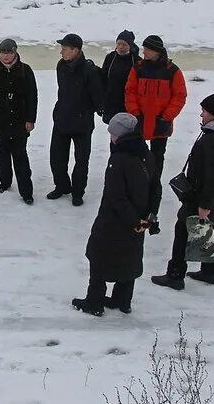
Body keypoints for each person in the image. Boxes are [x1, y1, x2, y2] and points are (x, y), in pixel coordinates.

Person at [151, 93, 214, 291]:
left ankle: (175, 275)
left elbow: (213, 176)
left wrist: (205, 205)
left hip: (205, 195)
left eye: (205, 112)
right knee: (208, 228)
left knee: (182, 229)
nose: (201, 115)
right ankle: (210, 271)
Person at [73, 113, 150, 316]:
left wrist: (133, 220)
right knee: (130, 257)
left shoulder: (119, 160)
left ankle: (94, 302)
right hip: (140, 220)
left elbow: (116, 197)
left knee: (97, 256)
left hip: (115, 221)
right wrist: (147, 217)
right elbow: (155, 187)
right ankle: (123, 300)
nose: (110, 137)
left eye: (112, 133)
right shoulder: (145, 154)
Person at [124, 35, 187, 233]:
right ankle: (136, 195)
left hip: (160, 126)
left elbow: (180, 96)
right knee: (138, 163)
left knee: (156, 167)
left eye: (147, 49)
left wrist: (166, 117)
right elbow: (130, 91)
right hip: (140, 123)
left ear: (157, 51)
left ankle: (153, 206)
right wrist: (135, 114)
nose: (144, 52)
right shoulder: (138, 68)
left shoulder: (172, 71)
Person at [47, 34, 105, 205]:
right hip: (62, 119)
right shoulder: (61, 66)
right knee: (56, 157)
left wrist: (89, 111)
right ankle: (62, 186)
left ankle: (78, 193)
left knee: (81, 161)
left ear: (76, 50)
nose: (61, 53)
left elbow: (98, 97)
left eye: (64, 49)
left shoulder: (89, 70)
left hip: (82, 123)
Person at [0, 39, 38, 204]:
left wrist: (30, 119)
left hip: (20, 121)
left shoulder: (24, 70)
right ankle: (5, 182)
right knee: (2, 154)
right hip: (0, 120)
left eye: (9, 53)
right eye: (3, 52)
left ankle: (26, 192)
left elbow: (32, 97)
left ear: (15, 53)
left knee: (20, 156)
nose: (6, 56)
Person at [100, 30, 138, 122]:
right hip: (111, 100)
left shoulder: (136, 61)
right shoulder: (110, 57)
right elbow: (103, 78)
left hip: (127, 102)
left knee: (127, 129)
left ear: (130, 46)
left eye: (124, 44)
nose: (120, 47)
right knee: (114, 129)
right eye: (119, 44)